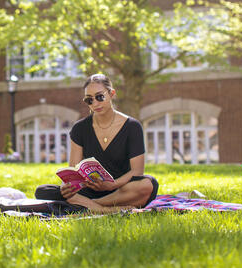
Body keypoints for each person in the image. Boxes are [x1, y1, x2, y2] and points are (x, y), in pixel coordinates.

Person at [35, 73, 158, 214]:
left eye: (100, 97)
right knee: (42, 191)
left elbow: (137, 171)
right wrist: (67, 186)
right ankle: (105, 210)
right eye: (89, 100)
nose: (95, 103)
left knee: (148, 184)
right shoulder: (79, 128)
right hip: (88, 190)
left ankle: (87, 206)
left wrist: (110, 185)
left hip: (121, 189)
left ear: (112, 94)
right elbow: (73, 170)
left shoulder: (132, 126)